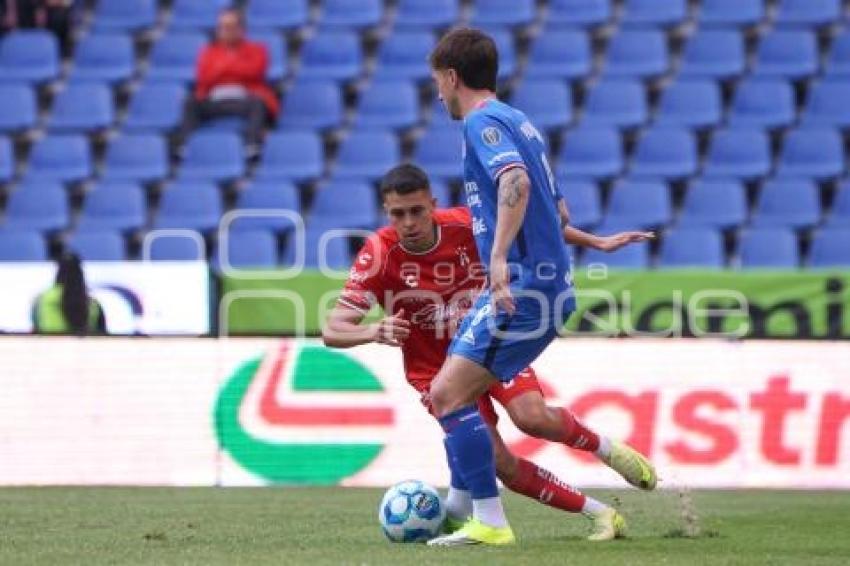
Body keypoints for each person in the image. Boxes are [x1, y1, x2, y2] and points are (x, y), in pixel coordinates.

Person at [323, 164, 655, 542]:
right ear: (387, 213)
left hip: (489, 344)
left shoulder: (465, 224)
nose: (410, 222)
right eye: (399, 214)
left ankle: (608, 450)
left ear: (432, 205)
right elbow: (333, 329)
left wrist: (596, 242)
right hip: (435, 372)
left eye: (417, 211)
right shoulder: (379, 252)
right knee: (499, 462)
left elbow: (535, 230)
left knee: (532, 417)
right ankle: (602, 514)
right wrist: (372, 330)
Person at [420, 28, 659, 546]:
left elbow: (516, 183)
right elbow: (556, 209)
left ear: (453, 76)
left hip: (525, 287)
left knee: (445, 393)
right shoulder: (519, 121)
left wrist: (500, 257)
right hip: (544, 286)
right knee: (512, 410)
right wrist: (593, 241)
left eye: (438, 81)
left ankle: (488, 522)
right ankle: (602, 455)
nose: (438, 93)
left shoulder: (482, 122)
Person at [179, 8, 278, 156]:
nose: (225, 31)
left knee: (258, 104)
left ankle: (251, 145)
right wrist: (234, 65)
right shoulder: (208, 52)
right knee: (190, 102)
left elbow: (254, 72)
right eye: (222, 27)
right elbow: (205, 77)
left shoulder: (257, 49)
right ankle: (190, 146)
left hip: (245, 98)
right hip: (215, 100)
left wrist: (222, 67)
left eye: (230, 27)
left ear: (241, 29)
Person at [34, 253, 106, 335]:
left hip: (51, 345)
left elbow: (37, 329)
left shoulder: (44, 299)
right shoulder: (93, 303)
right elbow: (102, 335)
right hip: (85, 346)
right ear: (81, 273)